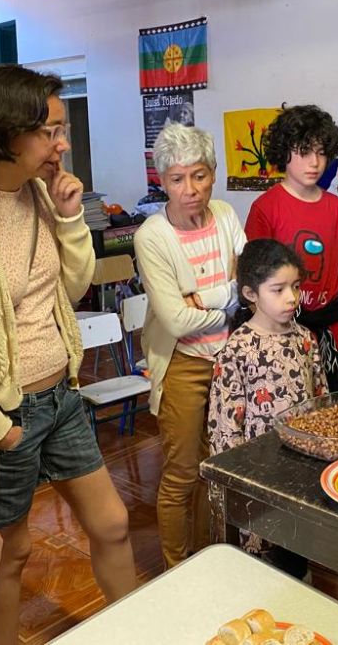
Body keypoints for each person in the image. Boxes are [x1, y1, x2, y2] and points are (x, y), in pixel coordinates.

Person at [0, 65, 134, 645]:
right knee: (9, 554)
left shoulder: (41, 192)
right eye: (51, 131)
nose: (63, 145)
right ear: (8, 132)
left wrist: (68, 218)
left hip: (61, 394)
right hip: (3, 415)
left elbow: (78, 284)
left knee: (112, 523)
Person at [133, 122, 246, 569]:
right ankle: (177, 566)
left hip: (232, 359)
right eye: (178, 179)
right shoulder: (152, 236)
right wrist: (228, 302)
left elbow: (247, 285)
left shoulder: (225, 215)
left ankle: (208, 555)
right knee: (181, 472)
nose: (190, 189)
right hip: (183, 362)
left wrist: (209, 298)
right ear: (163, 182)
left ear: (213, 174)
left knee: (219, 464)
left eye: (199, 175)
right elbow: (177, 320)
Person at [208, 239, 326, 573]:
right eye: (278, 289)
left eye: (296, 286)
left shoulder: (305, 338)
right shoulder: (238, 349)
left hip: (302, 469)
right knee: (261, 558)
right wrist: (238, 483)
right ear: (250, 294)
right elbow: (224, 428)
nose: (292, 297)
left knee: (298, 549)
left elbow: (320, 400)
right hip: (259, 475)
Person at [245, 105, 338, 392]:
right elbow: (252, 283)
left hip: (330, 334)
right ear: (284, 152)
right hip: (282, 332)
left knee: (333, 418)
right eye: (304, 152)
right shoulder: (265, 208)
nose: (315, 163)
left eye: (322, 153)